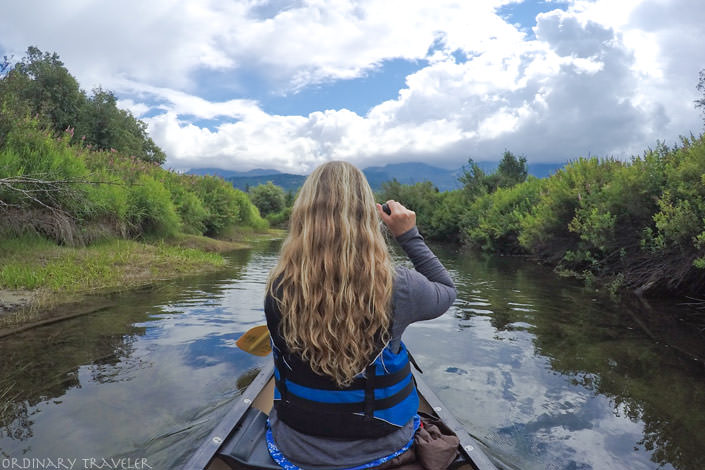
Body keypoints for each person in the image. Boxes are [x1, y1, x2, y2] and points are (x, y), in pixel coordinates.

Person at [264, 161, 457, 469]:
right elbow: (447, 291)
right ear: (368, 217)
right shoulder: (400, 285)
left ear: (303, 217)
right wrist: (409, 236)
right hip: (384, 446)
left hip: (295, 447)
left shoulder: (277, 286)